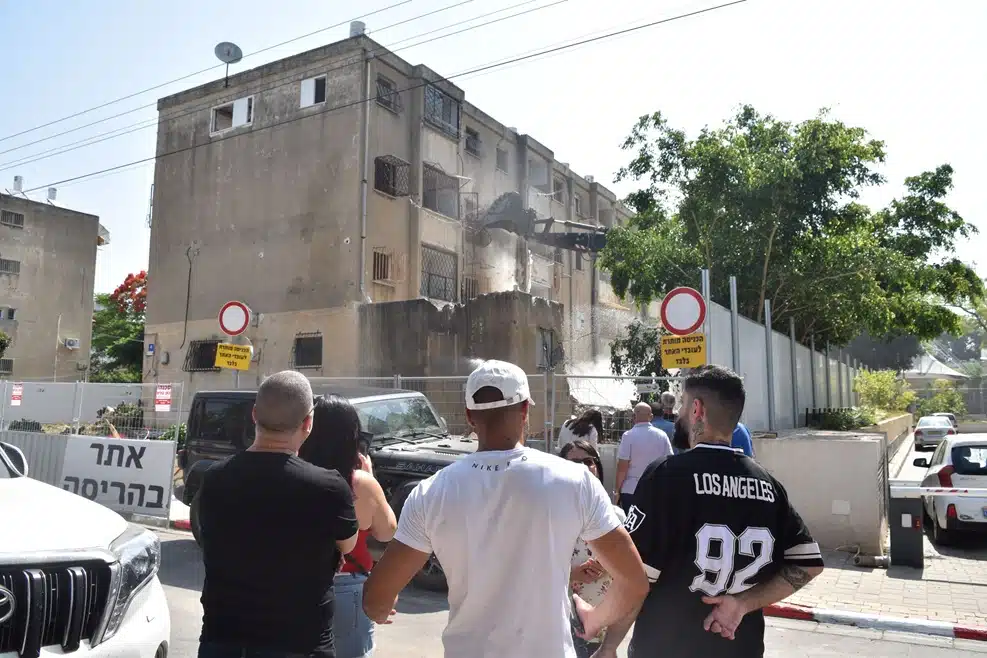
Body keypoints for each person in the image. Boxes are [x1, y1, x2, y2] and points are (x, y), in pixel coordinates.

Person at [363, 359, 649, 658]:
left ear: (470, 417)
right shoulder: (575, 481)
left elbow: (375, 600)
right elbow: (634, 582)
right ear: (525, 410)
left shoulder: (431, 492)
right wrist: (594, 619)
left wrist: (383, 607)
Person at [597, 365, 825, 658]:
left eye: (682, 404)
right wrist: (743, 603)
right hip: (741, 649)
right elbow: (808, 563)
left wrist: (608, 645)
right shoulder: (769, 485)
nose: (678, 414)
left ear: (697, 410)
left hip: (666, 648)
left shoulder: (666, 476)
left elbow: (636, 578)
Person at [196, 371, 360, 658]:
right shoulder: (328, 487)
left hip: (223, 639)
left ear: (254, 414)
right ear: (308, 423)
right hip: (299, 643)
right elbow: (348, 545)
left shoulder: (213, 478)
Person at [298, 395, 398, 658]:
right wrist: (371, 478)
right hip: (348, 587)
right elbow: (387, 531)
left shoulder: (293, 475)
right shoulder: (360, 483)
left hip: (297, 584)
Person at [559, 440, 627, 658]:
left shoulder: (616, 515)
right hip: (563, 618)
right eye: (574, 462)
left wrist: (609, 563)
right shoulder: (552, 516)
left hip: (603, 617)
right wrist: (572, 574)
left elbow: (631, 571)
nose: (583, 466)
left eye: (588, 461)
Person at [614, 402, 673, 514]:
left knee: (631, 522)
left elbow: (622, 466)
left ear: (634, 416)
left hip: (631, 489)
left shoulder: (628, 436)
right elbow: (669, 461)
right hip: (655, 488)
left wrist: (617, 490)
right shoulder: (662, 435)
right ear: (651, 417)